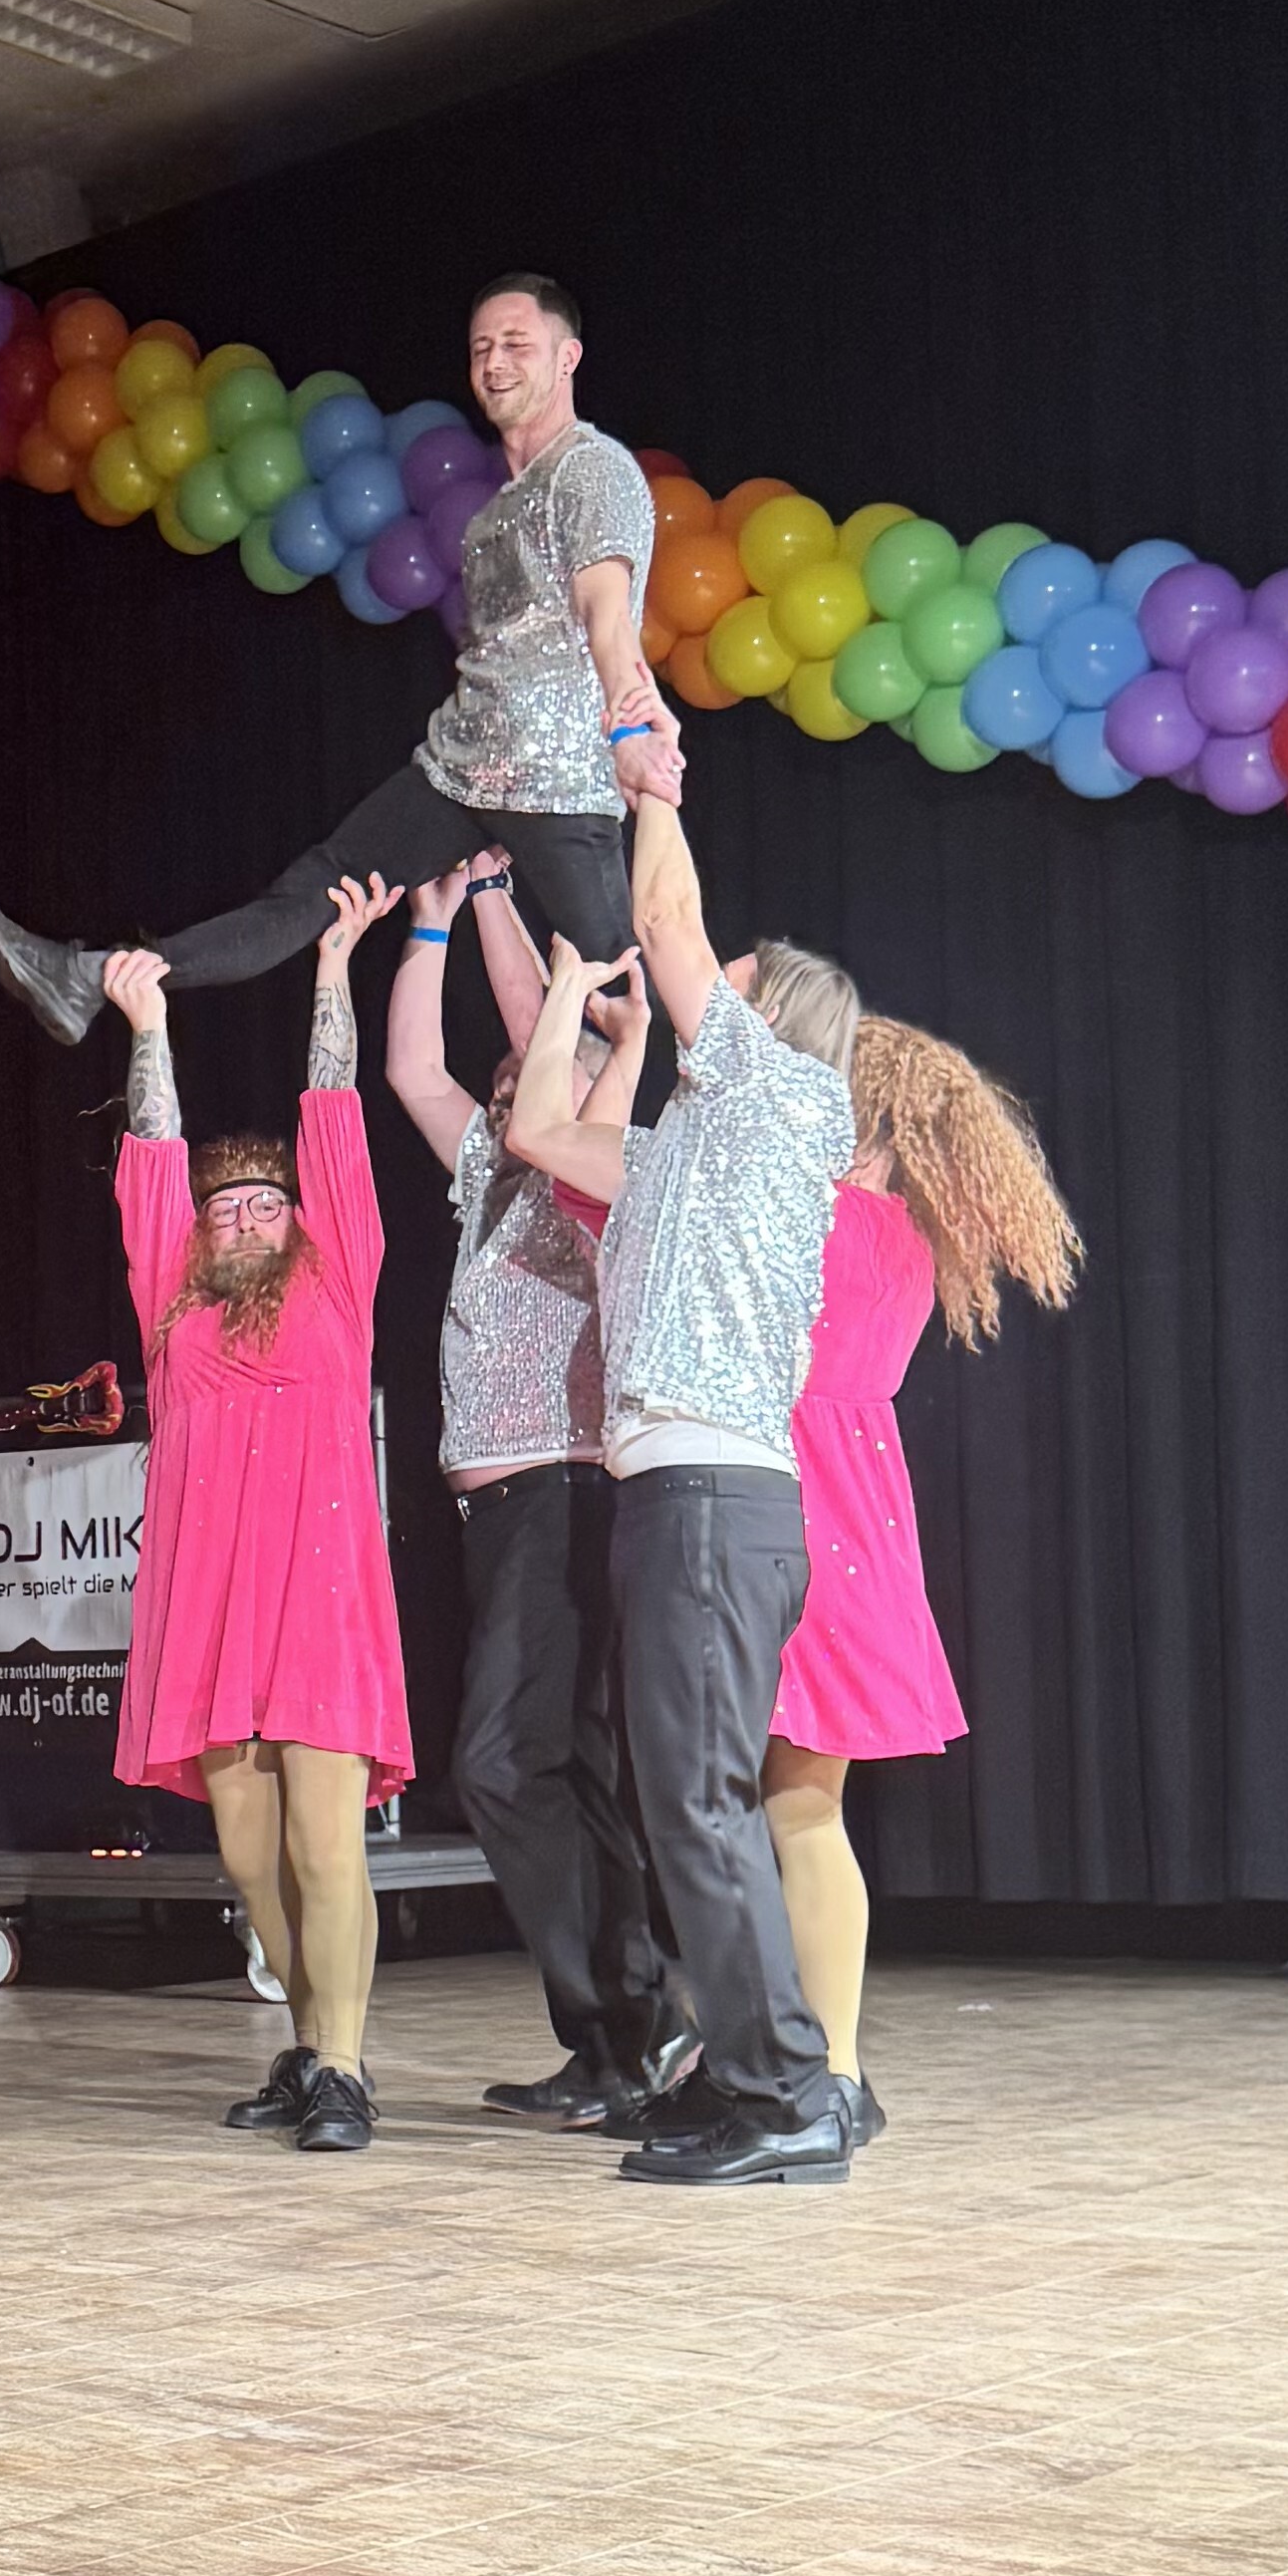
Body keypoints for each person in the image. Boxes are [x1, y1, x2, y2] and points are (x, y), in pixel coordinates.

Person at [0, 274, 677, 1049]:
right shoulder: (492, 517)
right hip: (460, 768)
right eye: (481, 348)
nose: (494, 362)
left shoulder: (589, 469)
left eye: (516, 344)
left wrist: (627, 726)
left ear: (566, 357)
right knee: (315, 888)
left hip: (559, 780)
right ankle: (91, 976)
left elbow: (603, 610)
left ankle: (706, 1112)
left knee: (623, 986)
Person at [506, 786, 859, 2187]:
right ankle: (746, 2073)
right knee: (683, 1805)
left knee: (701, 1803)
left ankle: (790, 2096)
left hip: (716, 1494)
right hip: (672, 1497)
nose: (701, 980)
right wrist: (583, 1006)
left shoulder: (787, 1096)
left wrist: (651, 784)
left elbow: (665, 915)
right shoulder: (676, 1158)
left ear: (772, 1017)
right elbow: (540, 1130)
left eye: (729, 977)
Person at [384, 854, 691, 2135]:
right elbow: (413, 1069)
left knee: (506, 1762)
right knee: (565, 1768)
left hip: (560, 1497)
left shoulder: (592, 1165)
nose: (510, 1082)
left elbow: (552, 1040)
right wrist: (441, 922)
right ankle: (622, 2037)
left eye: (531, 1072)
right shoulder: (487, 1176)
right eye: (507, 1079)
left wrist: (519, 924)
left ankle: (639, 2012)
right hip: (507, 1514)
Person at [104, 877, 412, 2150]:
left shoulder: (338, 1285)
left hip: (320, 1603)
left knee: (329, 1847)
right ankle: (305, 2045)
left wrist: (334, 967)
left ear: (299, 1220)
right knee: (248, 1857)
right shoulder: (171, 1309)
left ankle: (344, 2068)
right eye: (221, 1207)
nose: (239, 1217)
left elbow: (331, 1114)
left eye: (263, 1203)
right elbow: (153, 1158)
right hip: (212, 1607)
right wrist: (149, 1029)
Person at [767, 1016, 1081, 2148]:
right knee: (796, 1802)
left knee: (780, 1806)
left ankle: (821, 2067)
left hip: (793, 1501)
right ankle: (816, 2060)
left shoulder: (826, 1219)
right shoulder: (905, 1237)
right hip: (856, 1510)